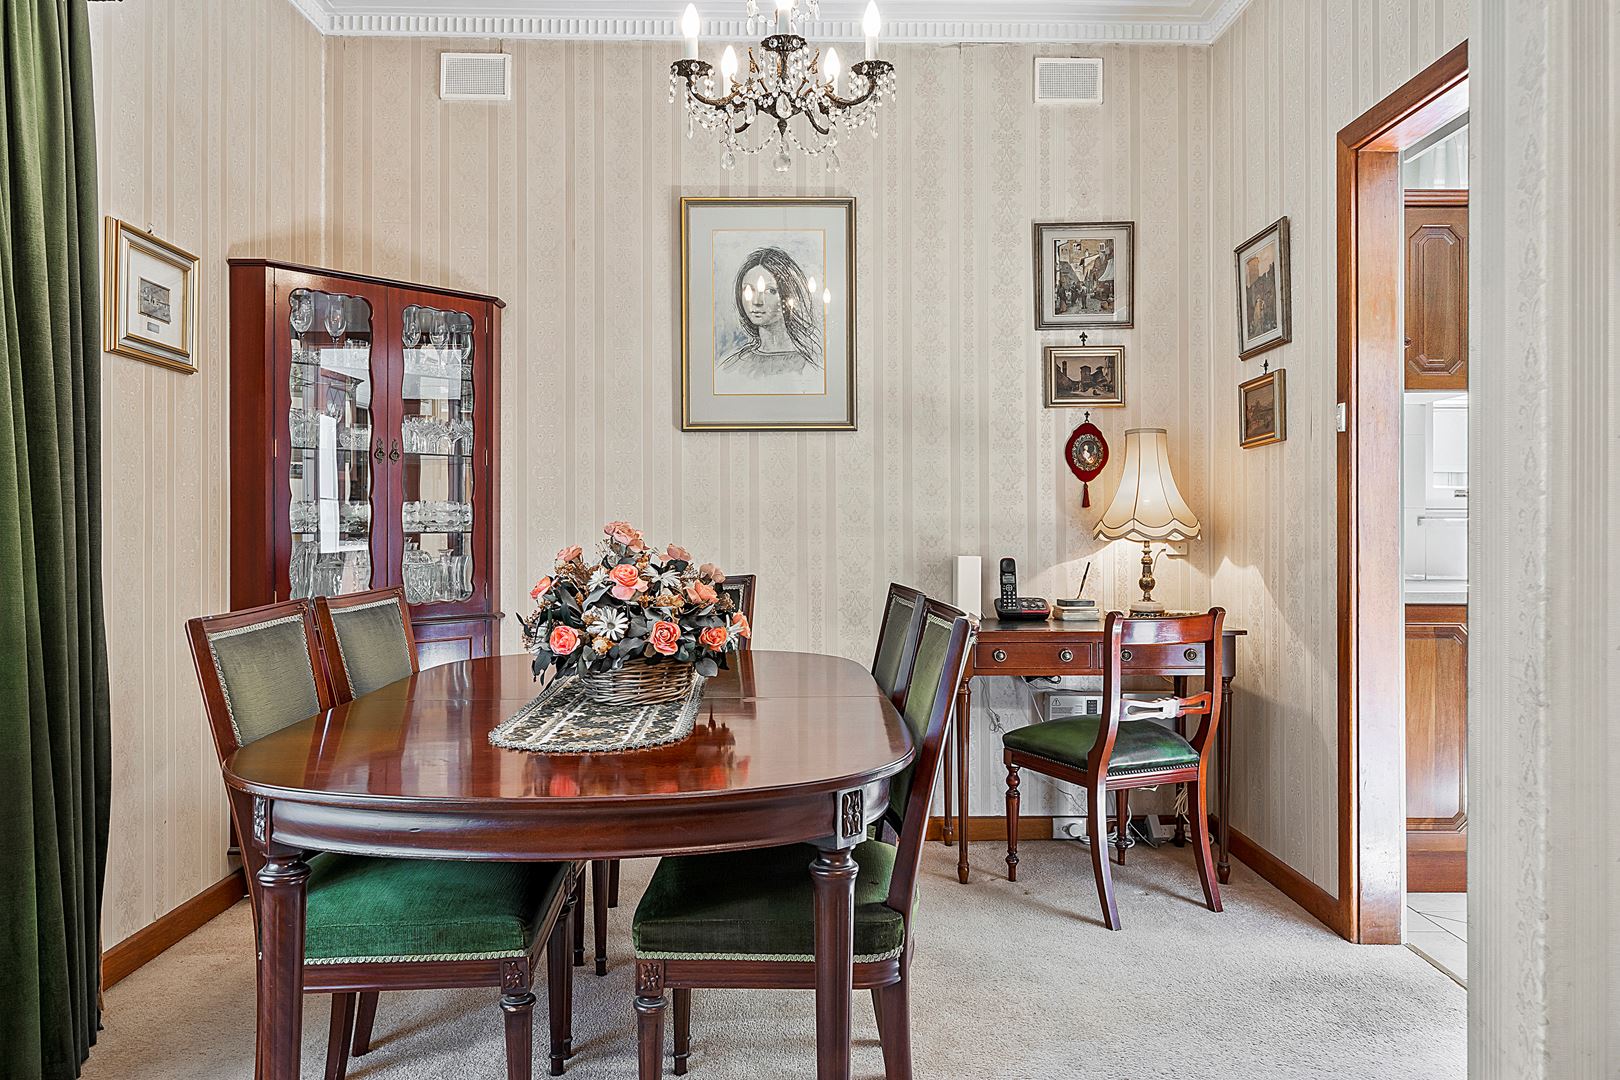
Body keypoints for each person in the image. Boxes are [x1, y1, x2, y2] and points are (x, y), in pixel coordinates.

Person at [717, 247, 824, 394]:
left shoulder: (812, 367)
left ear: (789, 295)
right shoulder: (732, 366)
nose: (757, 301)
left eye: (771, 291)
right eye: (749, 290)